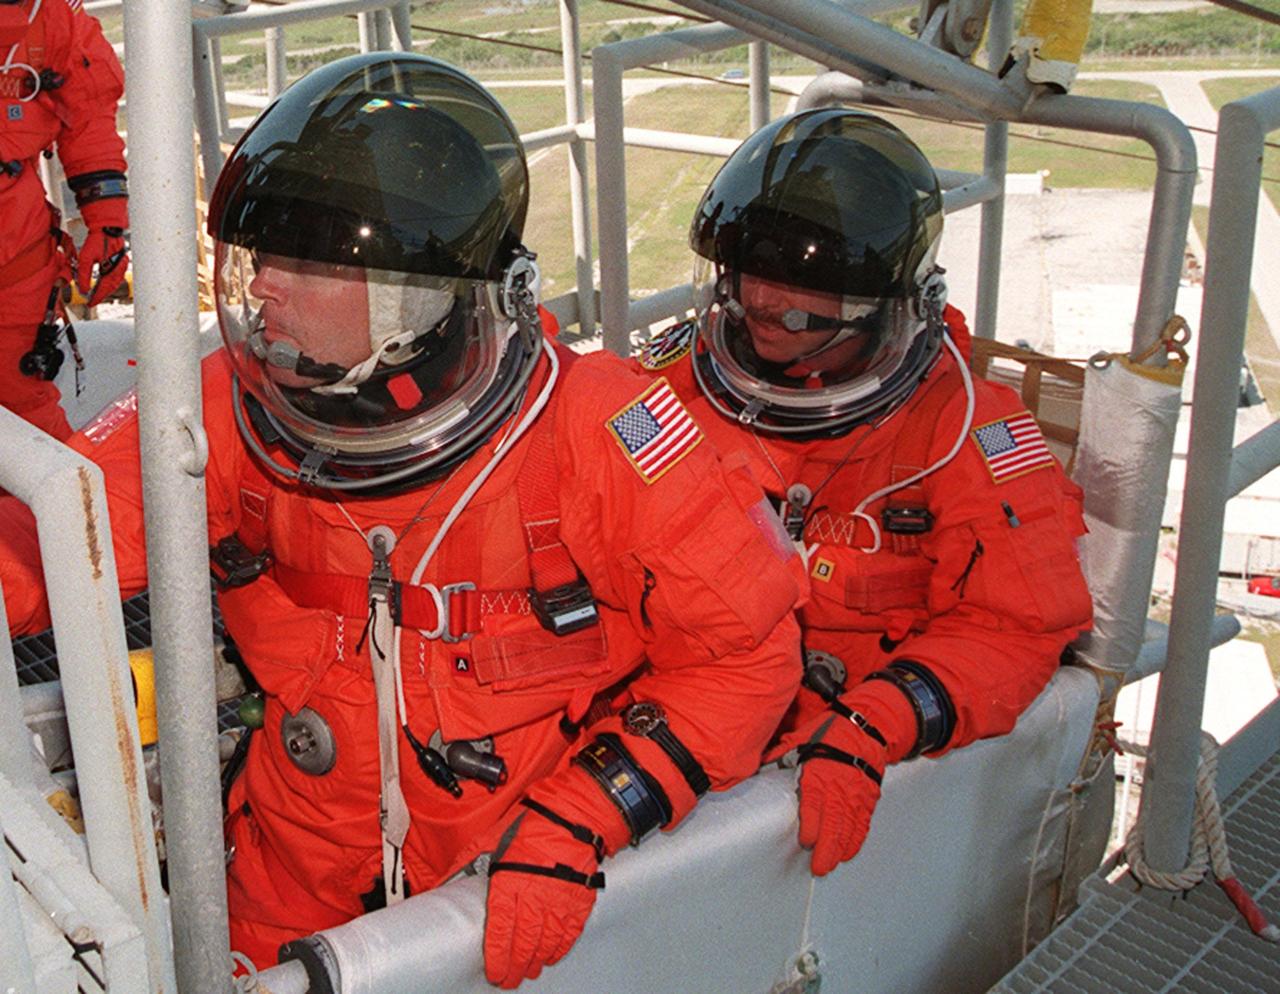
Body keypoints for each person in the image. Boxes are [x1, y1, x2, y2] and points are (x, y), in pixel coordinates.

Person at [0, 54, 804, 987]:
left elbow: (748, 659)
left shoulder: (596, 431)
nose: (263, 290)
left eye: (306, 264)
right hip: (290, 870)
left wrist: (587, 814)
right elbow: (49, 542)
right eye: (263, 259)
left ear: (413, 299)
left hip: (508, 873)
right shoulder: (221, 407)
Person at [634, 109, 1093, 876]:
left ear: (878, 306)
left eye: (798, 300)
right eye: (749, 280)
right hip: (679, 724)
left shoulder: (966, 428)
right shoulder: (670, 389)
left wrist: (876, 720)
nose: (763, 306)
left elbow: (1017, 627)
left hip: (840, 753)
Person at [0, 0, 128, 439]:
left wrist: (106, 223)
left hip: (18, 255)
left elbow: (87, 116)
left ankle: (63, 485)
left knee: (23, 406)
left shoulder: (53, 18)